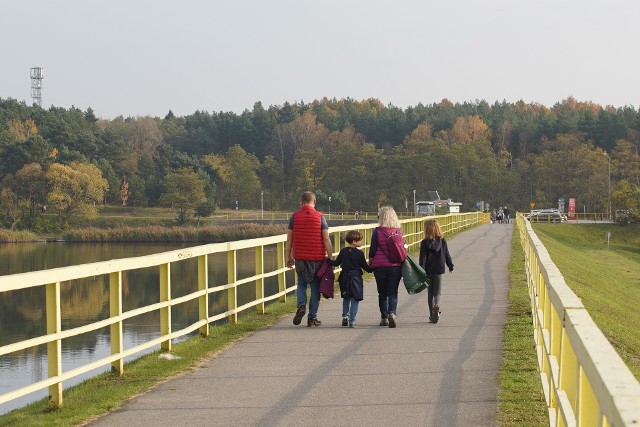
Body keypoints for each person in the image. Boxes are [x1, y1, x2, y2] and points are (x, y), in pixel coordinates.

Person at [285, 191, 333, 327]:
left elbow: (289, 240)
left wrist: (288, 257)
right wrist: (330, 258)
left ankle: (301, 306)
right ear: (314, 201)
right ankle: (312, 317)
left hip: (300, 258)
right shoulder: (320, 217)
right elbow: (326, 239)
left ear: (301, 202)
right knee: (315, 288)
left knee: (301, 284)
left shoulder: (294, 217)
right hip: (317, 259)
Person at [327, 230, 373, 328]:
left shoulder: (343, 251)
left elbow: (336, 263)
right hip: (355, 278)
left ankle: (345, 317)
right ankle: (352, 320)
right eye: (360, 240)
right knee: (355, 299)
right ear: (354, 241)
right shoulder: (359, 253)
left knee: (346, 298)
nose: (361, 242)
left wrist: (327, 260)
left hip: (344, 277)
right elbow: (366, 267)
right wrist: (373, 266)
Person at [369, 206, 404, 328]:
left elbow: (372, 250)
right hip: (395, 265)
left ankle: (384, 317)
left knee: (382, 293)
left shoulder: (377, 231)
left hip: (380, 266)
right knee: (393, 292)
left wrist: (370, 263)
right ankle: (392, 313)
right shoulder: (398, 231)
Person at [419, 219, 454, 324]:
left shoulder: (424, 243)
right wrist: (450, 266)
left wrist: (421, 270)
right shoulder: (442, 241)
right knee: (437, 292)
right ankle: (437, 306)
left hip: (428, 271)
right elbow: (447, 254)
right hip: (439, 269)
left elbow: (423, 258)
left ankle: (432, 316)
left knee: (430, 293)